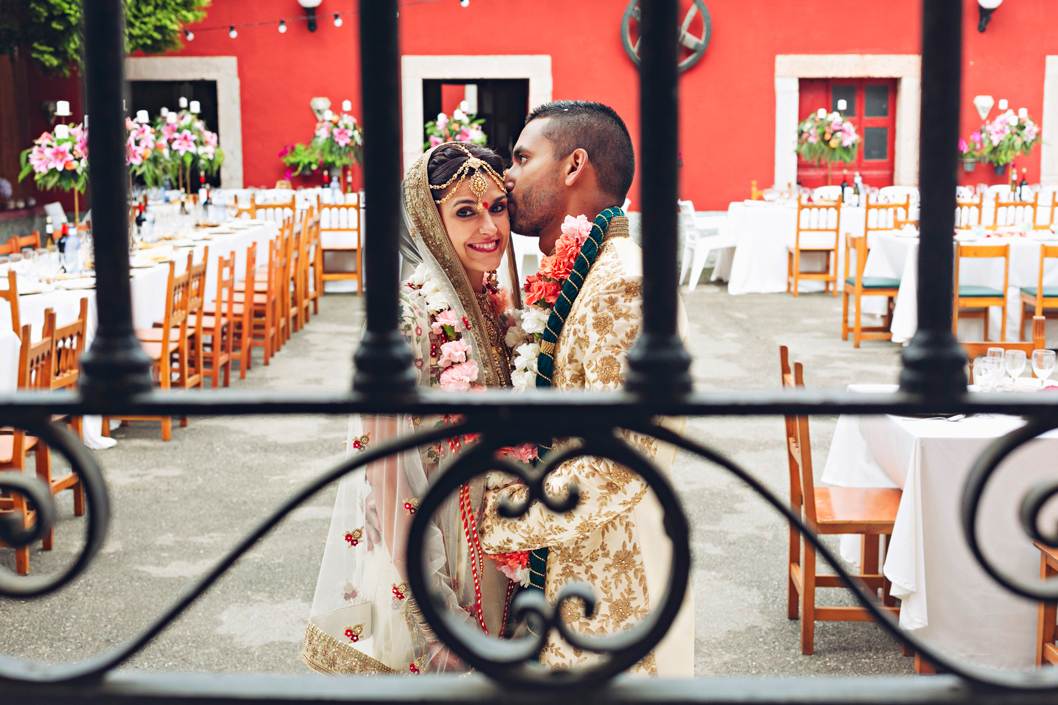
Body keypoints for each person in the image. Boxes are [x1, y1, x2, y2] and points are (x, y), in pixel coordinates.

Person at [478, 101, 694, 676]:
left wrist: (489, 520)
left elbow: (620, 457)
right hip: (569, 564)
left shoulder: (623, 283)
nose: (508, 176)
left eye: (522, 158)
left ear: (575, 165)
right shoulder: (581, 270)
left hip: (609, 582)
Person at [303, 143, 517, 675]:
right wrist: (431, 611)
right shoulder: (407, 319)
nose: (489, 225)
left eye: (497, 205)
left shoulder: (492, 304)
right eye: (465, 211)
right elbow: (385, 476)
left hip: (494, 553)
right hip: (427, 558)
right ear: (428, 220)